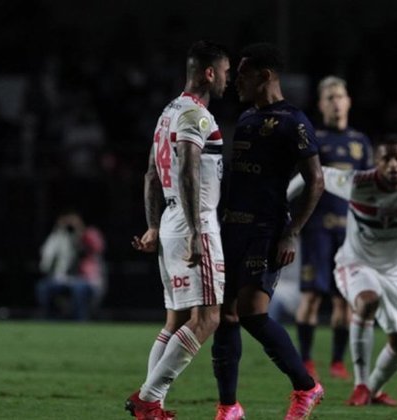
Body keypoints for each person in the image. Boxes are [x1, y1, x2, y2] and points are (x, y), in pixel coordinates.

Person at [290, 133, 397, 406]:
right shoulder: (357, 183)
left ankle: (373, 389)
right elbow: (310, 174)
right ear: (375, 162)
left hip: (396, 274)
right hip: (356, 263)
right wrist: (282, 207)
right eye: (386, 159)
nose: (393, 165)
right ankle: (360, 385)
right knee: (367, 301)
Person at [213, 42, 325, 420]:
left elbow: (316, 182)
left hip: (266, 230)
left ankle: (306, 387)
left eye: (242, 74)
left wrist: (292, 232)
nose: (235, 81)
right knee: (224, 316)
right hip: (231, 228)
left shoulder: (295, 121)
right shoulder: (245, 119)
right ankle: (229, 406)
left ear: (265, 76)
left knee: (252, 314)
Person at [125, 40, 230, 420]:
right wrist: (194, 230)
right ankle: (149, 398)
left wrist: (154, 225)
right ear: (209, 72)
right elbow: (185, 166)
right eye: (225, 71)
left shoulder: (168, 112)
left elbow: (153, 173)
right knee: (208, 318)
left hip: (170, 220)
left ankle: (153, 404)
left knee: (176, 320)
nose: (227, 79)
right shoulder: (196, 115)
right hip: (193, 220)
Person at [294, 75, 373, 382]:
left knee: (345, 300)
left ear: (349, 101)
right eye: (330, 98)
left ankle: (338, 361)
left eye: (340, 96)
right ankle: (306, 360)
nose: (336, 102)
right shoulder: (313, 139)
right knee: (312, 296)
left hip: (350, 232)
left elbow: (368, 189)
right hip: (317, 229)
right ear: (321, 104)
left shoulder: (360, 143)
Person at [36, 210, 106, 321]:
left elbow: (98, 248)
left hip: (88, 280)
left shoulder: (91, 233)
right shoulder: (62, 237)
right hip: (66, 279)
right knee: (44, 287)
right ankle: (50, 321)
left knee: (79, 289)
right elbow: (47, 258)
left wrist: (80, 231)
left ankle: (80, 321)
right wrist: (59, 230)